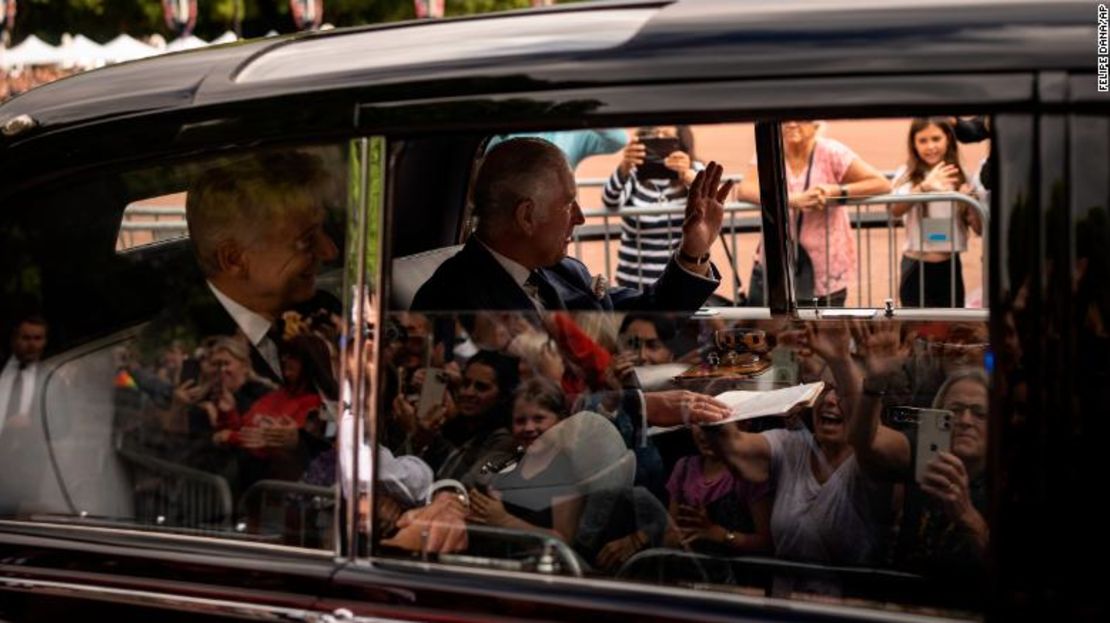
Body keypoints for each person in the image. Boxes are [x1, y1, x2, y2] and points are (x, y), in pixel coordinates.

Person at [410, 137, 732, 313]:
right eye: (568, 204)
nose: (581, 218)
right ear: (526, 217)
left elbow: (648, 316)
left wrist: (695, 248)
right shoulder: (451, 300)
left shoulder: (565, 273)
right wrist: (641, 405)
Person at [143, 150, 341, 385]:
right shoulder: (179, 349)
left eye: (322, 229)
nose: (330, 251)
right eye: (307, 240)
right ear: (234, 260)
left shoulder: (326, 312)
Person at [737, 121, 891, 306]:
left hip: (826, 267)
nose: (791, 123)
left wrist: (834, 192)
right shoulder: (771, 150)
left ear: (815, 124)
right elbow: (744, 190)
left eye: (799, 117)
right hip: (776, 262)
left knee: (822, 331)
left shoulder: (832, 152)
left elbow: (881, 184)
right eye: (784, 118)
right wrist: (793, 200)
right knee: (770, 329)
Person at [891, 118, 983, 308]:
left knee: (951, 330)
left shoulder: (962, 175)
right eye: (923, 141)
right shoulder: (906, 174)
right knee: (915, 332)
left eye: (936, 139)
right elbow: (895, 210)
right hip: (916, 266)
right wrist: (924, 187)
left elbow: (979, 229)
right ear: (914, 144)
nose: (930, 146)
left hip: (949, 267)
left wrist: (970, 203)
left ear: (948, 138)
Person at [603, 126, 704, 289]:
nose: (659, 139)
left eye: (667, 137)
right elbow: (609, 200)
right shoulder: (634, 174)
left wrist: (686, 174)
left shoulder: (695, 170)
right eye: (654, 135)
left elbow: (709, 199)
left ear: (681, 142)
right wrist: (624, 167)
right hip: (633, 282)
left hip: (679, 282)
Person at [667, 422, 772, 556]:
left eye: (716, 425)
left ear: (742, 425)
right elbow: (669, 535)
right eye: (698, 423)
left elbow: (767, 543)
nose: (705, 435)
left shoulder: (749, 472)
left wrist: (722, 535)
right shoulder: (684, 469)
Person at [0, 314, 47, 433]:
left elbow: (63, 427)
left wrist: (33, 424)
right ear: (14, 340)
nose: (32, 345)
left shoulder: (51, 378)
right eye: (26, 338)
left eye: (37, 338)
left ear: (44, 341)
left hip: (27, 449)